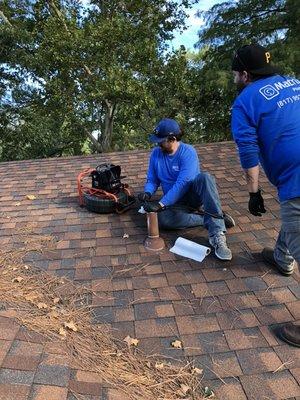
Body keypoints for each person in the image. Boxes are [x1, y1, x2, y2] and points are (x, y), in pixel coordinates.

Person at [231, 43, 300, 276]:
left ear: (245, 74)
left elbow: (248, 151)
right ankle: (282, 257)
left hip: (296, 180)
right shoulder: (295, 83)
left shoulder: (245, 101)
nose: (234, 77)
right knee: (294, 221)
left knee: (296, 214)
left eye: (235, 73)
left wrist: (254, 193)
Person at [139, 118, 234, 261]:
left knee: (205, 177)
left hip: (191, 197)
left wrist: (160, 204)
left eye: (161, 140)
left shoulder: (188, 152)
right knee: (162, 220)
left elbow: (183, 183)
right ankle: (210, 218)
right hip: (174, 203)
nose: (158, 143)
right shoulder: (156, 154)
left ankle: (217, 234)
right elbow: (152, 179)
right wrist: (147, 192)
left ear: (172, 139)